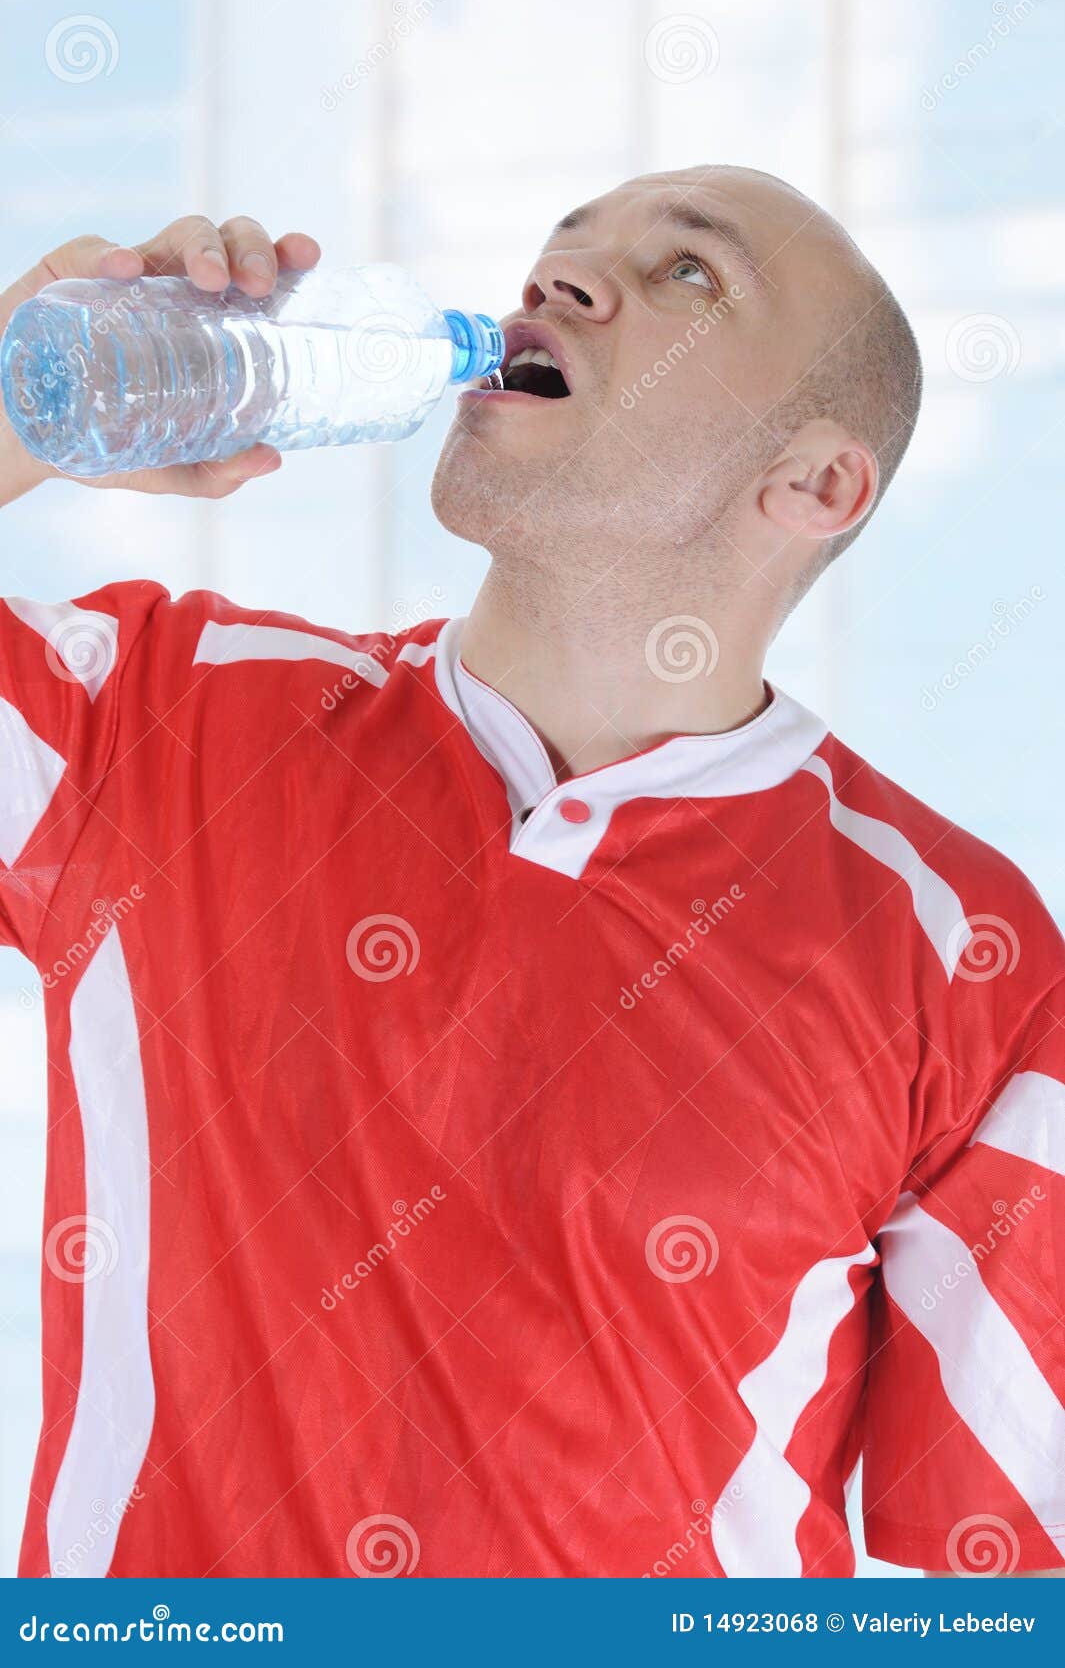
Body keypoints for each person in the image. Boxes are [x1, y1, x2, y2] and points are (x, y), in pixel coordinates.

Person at [0, 168, 1061, 1580]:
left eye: (688, 273)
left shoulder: (964, 953)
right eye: (561, 250)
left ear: (815, 483)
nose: (554, 281)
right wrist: (10, 403)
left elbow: (1003, 1576)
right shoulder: (158, 711)